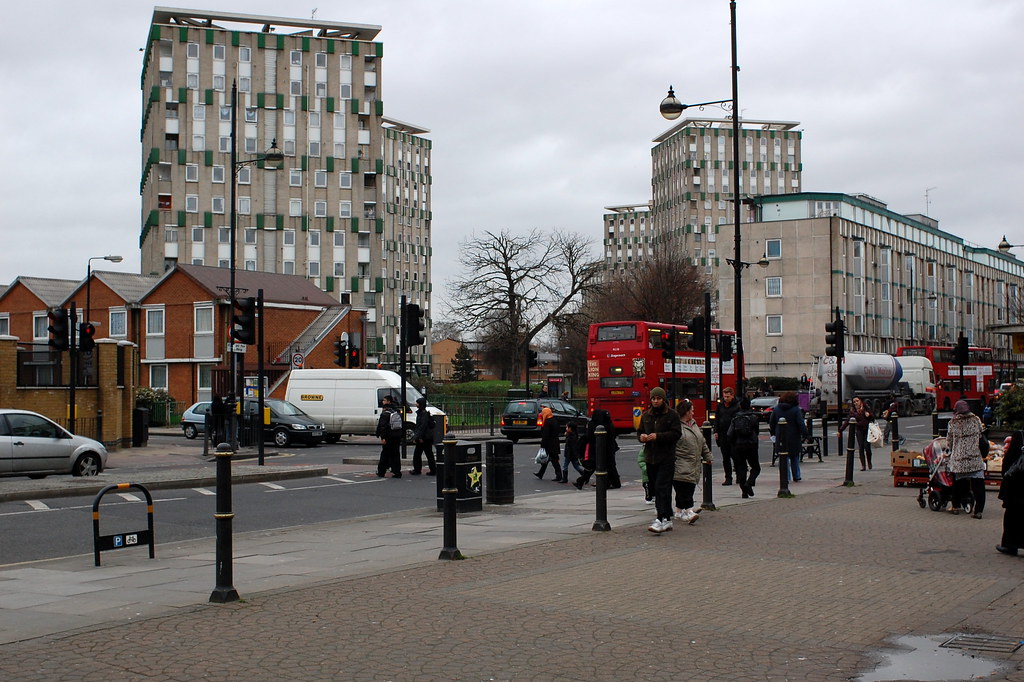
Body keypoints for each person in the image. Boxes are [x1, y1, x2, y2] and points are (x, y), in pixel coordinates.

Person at [637, 387, 682, 534]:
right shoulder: (646, 416)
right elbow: (640, 431)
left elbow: (676, 434)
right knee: (658, 489)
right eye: (653, 399)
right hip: (651, 457)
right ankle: (667, 518)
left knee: (662, 486)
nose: (655, 401)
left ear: (664, 399)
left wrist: (658, 436)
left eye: (658, 398)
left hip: (666, 457)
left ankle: (660, 518)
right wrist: (642, 437)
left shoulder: (672, 415)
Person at [673, 399, 713, 524]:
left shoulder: (694, 424)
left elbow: (702, 442)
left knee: (687, 487)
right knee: (685, 488)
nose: (693, 412)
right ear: (686, 412)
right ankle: (689, 511)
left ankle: (679, 512)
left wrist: (708, 456)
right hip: (681, 463)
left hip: (693, 463)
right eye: (692, 410)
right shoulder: (677, 427)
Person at [947, 399, 986, 519]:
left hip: (959, 458)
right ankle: (978, 511)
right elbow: (981, 435)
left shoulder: (953, 422)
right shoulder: (976, 420)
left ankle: (955, 506)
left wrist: (952, 450)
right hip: (974, 457)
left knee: (958, 484)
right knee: (978, 485)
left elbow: (950, 441)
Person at [574, 405, 621, 490]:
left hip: (596, 449)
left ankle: (581, 481)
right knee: (608, 466)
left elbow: (588, 436)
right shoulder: (608, 423)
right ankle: (613, 482)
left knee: (593, 466)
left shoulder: (594, 424)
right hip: (609, 449)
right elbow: (613, 435)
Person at [769, 391, 809, 482]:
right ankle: (797, 475)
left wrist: (773, 434)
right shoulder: (796, 409)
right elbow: (800, 424)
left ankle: (785, 477)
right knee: (794, 457)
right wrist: (806, 435)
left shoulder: (776, 409)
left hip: (780, 437)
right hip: (793, 436)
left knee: (783, 458)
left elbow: (771, 422)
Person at [727, 396, 761, 498]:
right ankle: (749, 483)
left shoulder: (735, 418)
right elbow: (757, 431)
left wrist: (733, 443)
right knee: (756, 468)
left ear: (740, 406)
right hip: (751, 445)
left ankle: (744, 491)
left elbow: (729, 434)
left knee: (741, 468)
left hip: (738, 446)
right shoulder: (754, 417)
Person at [996, 430, 1023, 555]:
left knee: (1012, 515)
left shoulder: (1019, 435)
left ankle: (1010, 545)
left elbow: (1008, 461)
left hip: (1016, 485)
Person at [839, 395, 875, 471]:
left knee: (867, 447)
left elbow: (873, 418)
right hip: (859, 430)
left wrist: (869, 415)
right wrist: (840, 430)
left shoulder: (866, 408)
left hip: (867, 430)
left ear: (860, 401)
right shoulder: (853, 411)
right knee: (861, 447)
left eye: (857, 401)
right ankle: (863, 465)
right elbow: (847, 421)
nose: (856, 403)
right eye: (854, 402)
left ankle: (869, 461)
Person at [714, 386, 741, 485]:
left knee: (736, 456)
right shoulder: (720, 405)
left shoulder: (737, 405)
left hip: (734, 435)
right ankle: (728, 477)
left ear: (732, 396)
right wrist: (715, 431)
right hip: (723, 434)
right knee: (725, 458)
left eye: (727, 396)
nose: (725, 398)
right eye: (724, 396)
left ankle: (739, 475)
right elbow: (717, 419)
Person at [533, 406, 564, 482]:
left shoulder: (547, 422)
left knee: (554, 460)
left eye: (543, 413)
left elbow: (545, 434)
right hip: (555, 442)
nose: (542, 414)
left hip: (549, 443)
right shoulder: (554, 420)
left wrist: (542, 444)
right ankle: (541, 473)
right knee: (546, 459)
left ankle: (559, 475)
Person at [375, 394, 403, 478]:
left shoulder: (385, 414)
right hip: (396, 436)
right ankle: (397, 472)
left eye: (384, 400)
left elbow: (382, 426)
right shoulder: (396, 412)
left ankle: (381, 472)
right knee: (396, 454)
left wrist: (382, 437)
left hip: (388, 437)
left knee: (384, 454)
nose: (382, 402)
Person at [409, 397, 436, 476]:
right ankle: (433, 470)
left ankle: (418, 470)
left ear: (420, 404)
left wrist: (419, 437)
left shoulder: (423, 414)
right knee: (428, 454)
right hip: (427, 437)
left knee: (418, 454)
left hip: (424, 438)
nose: (416, 404)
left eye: (417, 403)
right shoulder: (424, 413)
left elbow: (422, 426)